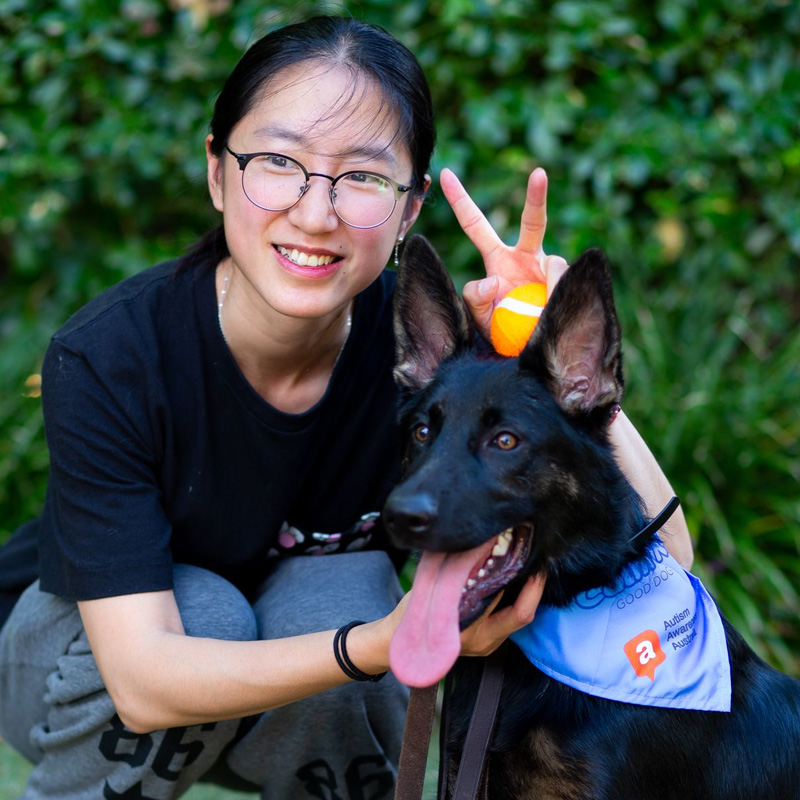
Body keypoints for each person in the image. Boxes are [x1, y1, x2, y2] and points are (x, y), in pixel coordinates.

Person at [0, 15, 692, 800]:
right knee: (213, 610)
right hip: (77, 671)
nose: (315, 212)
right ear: (218, 172)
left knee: (341, 586)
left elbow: (671, 554)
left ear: (409, 209)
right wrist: (375, 646)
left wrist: (553, 360)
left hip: (295, 674)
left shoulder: (440, 366)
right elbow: (145, 682)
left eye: (361, 177)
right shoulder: (113, 355)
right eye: (276, 162)